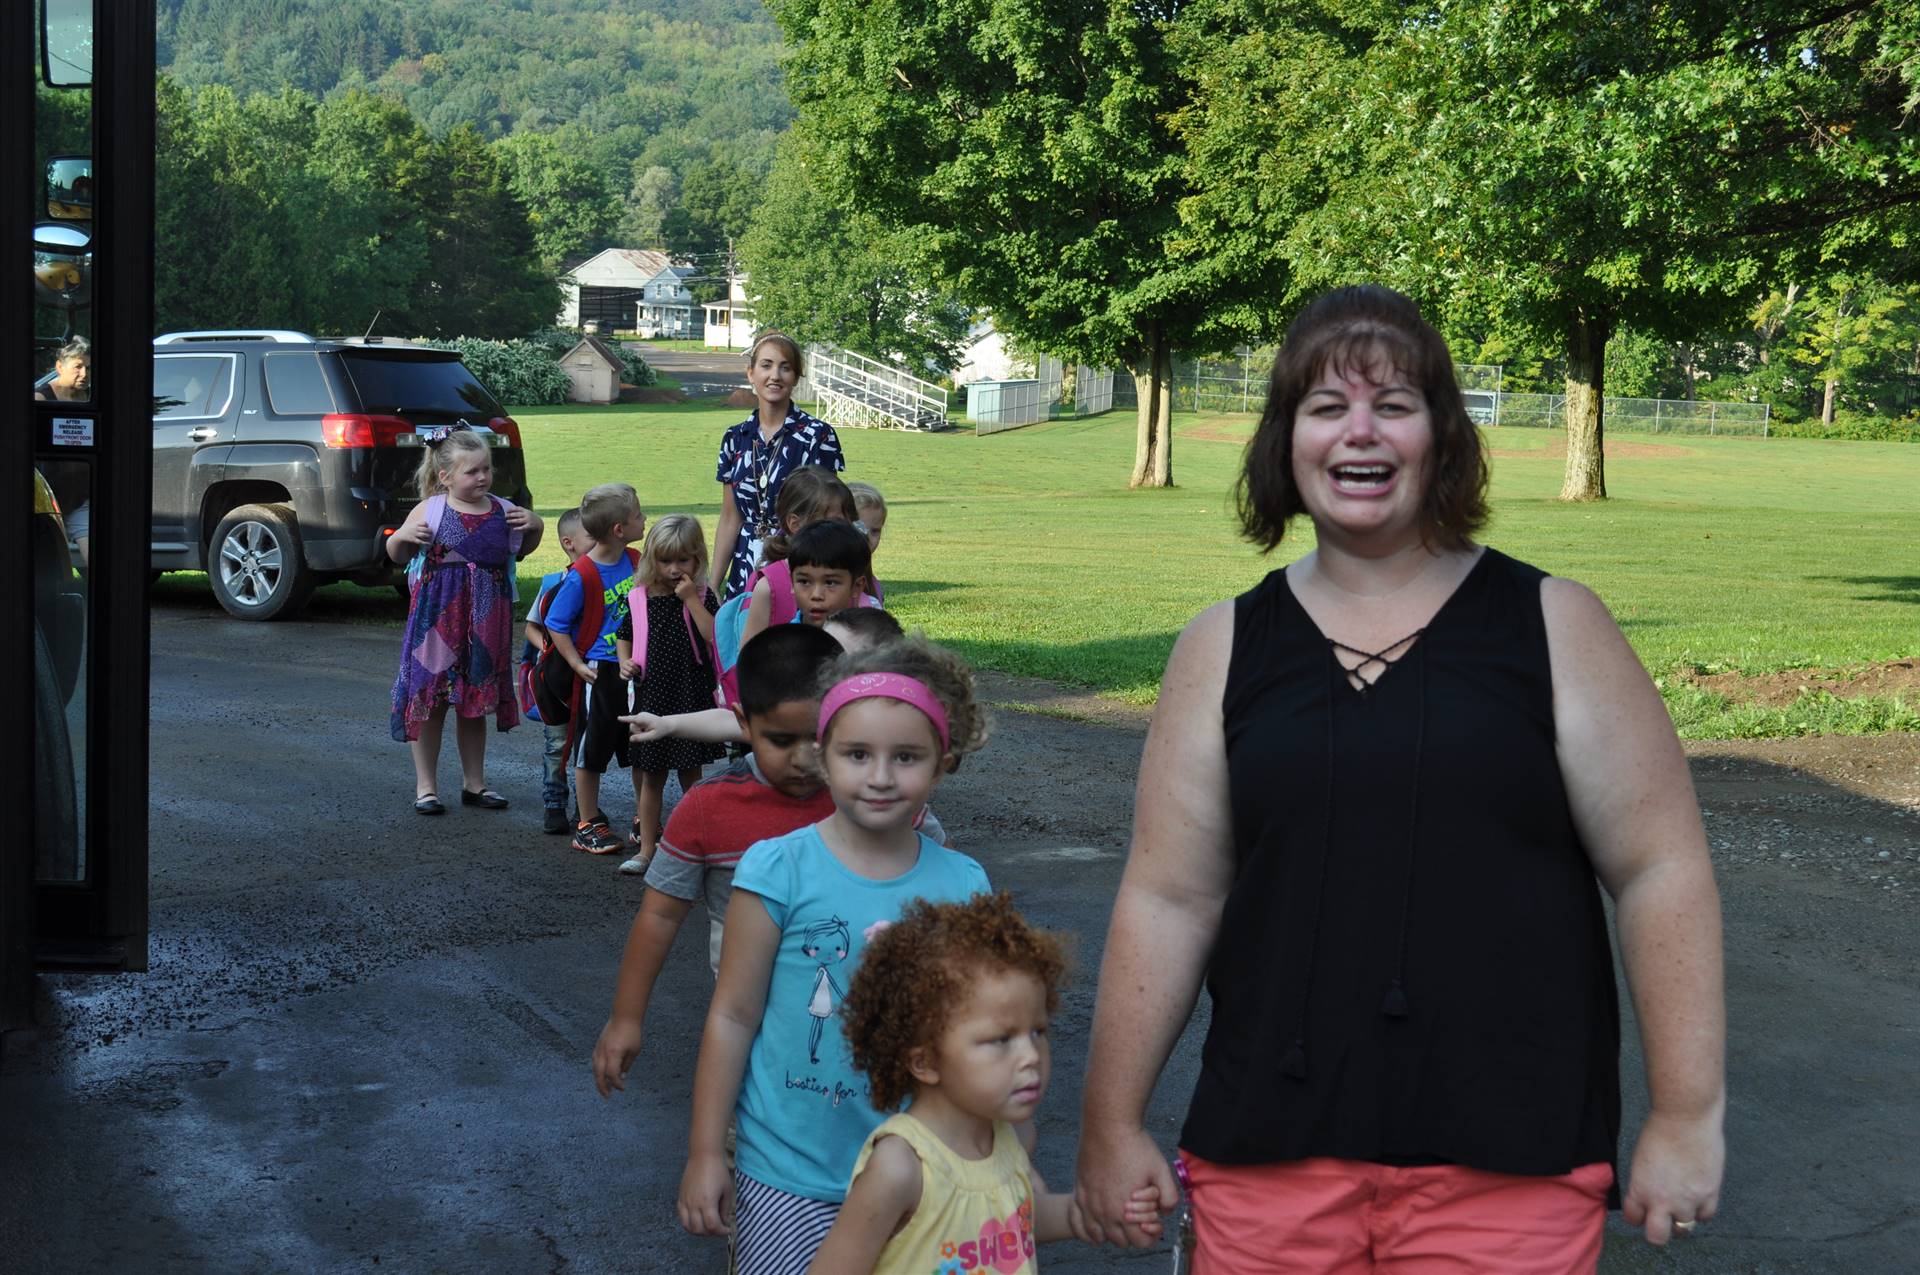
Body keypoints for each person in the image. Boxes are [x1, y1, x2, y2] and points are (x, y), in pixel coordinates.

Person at [1071, 285, 1726, 1273]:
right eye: (1326, 408)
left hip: (1511, 1165)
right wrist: (1109, 1125)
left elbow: (1661, 871)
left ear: (1443, 435)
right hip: (1269, 1160)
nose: (1359, 433)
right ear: (1285, 441)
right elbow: (1169, 898)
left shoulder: (1555, 627)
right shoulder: (1222, 648)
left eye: (1396, 404)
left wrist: (1686, 1113)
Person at [677, 637, 992, 1274]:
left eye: (906, 757)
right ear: (825, 755)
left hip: (919, 1175)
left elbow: (977, 1034)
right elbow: (733, 1015)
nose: (879, 776)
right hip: (786, 1171)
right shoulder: (777, 868)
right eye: (857, 754)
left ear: (943, 761)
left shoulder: (964, 884)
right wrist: (706, 1151)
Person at [807, 892, 1159, 1275]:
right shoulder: (901, 1168)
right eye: (1001, 1039)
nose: (1031, 1055)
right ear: (925, 1062)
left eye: (1038, 1031)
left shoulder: (1011, 1138)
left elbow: (1015, 1221)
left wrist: (1088, 1213)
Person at [592, 624, 846, 1098]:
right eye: (780, 740)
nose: (802, 758)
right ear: (743, 723)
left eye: (819, 736)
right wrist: (626, 1018)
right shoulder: (709, 808)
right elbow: (660, 915)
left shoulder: (869, 797)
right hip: (751, 1039)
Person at [388, 426, 543, 815]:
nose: (483, 477)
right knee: (432, 699)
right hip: (437, 620)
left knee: (474, 702)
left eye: (486, 469)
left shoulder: (504, 511)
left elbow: (521, 549)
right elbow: (395, 553)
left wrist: (537, 526)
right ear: (445, 477)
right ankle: (426, 787)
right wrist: (403, 534)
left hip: (486, 619)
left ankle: (475, 784)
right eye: (472, 471)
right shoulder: (432, 509)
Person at [615, 514, 726, 875]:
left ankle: (699, 849)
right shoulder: (639, 598)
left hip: (691, 695)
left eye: (683, 560)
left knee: (691, 775)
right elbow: (624, 635)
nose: (674, 568)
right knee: (651, 776)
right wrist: (625, 662)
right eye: (665, 561)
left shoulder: (705, 596)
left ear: (698, 558)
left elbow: (713, 636)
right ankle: (647, 850)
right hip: (653, 694)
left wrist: (692, 598)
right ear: (652, 559)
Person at [540, 483, 646, 856]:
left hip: (634, 668)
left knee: (641, 744)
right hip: (600, 671)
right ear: (619, 529)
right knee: (592, 748)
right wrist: (575, 662)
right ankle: (587, 822)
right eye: (638, 515)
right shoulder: (583, 574)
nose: (644, 519)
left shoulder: (636, 561)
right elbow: (556, 623)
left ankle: (643, 818)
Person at [712, 333, 846, 600]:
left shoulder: (817, 436)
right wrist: (713, 585)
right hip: (744, 568)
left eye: (785, 367)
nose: (775, 375)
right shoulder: (735, 438)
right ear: (751, 374)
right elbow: (730, 517)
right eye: (766, 365)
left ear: (796, 377)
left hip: (798, 564)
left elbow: (826, 517)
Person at [522, 508, 593, 835]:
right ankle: (554, 802)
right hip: (557, 680)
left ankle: (586, 804)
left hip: (591, 677)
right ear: (570, 543)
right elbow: (532, 627)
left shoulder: (603, 581)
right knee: (557, 742)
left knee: (587, 743)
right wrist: (547, 648)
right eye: (592, 536)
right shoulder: (555, 582)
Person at [737, 467, 860, 642]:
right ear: (795, 524)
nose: (847, 531)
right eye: (834, 523)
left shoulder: (851, 574)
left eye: (850, 522)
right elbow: (748, 660)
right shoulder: (769, 587)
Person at [743, 518, 873, 647]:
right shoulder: (782, 648)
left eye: (830, 583)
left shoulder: (868, 645)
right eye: (804, 581)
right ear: (792, 583)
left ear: (856, 587)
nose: (816, 595)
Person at [846, 480, 887, 604]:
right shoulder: (831, 580)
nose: (867, 538)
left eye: (874, 531)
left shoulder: (873, 583)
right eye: (859, 529)